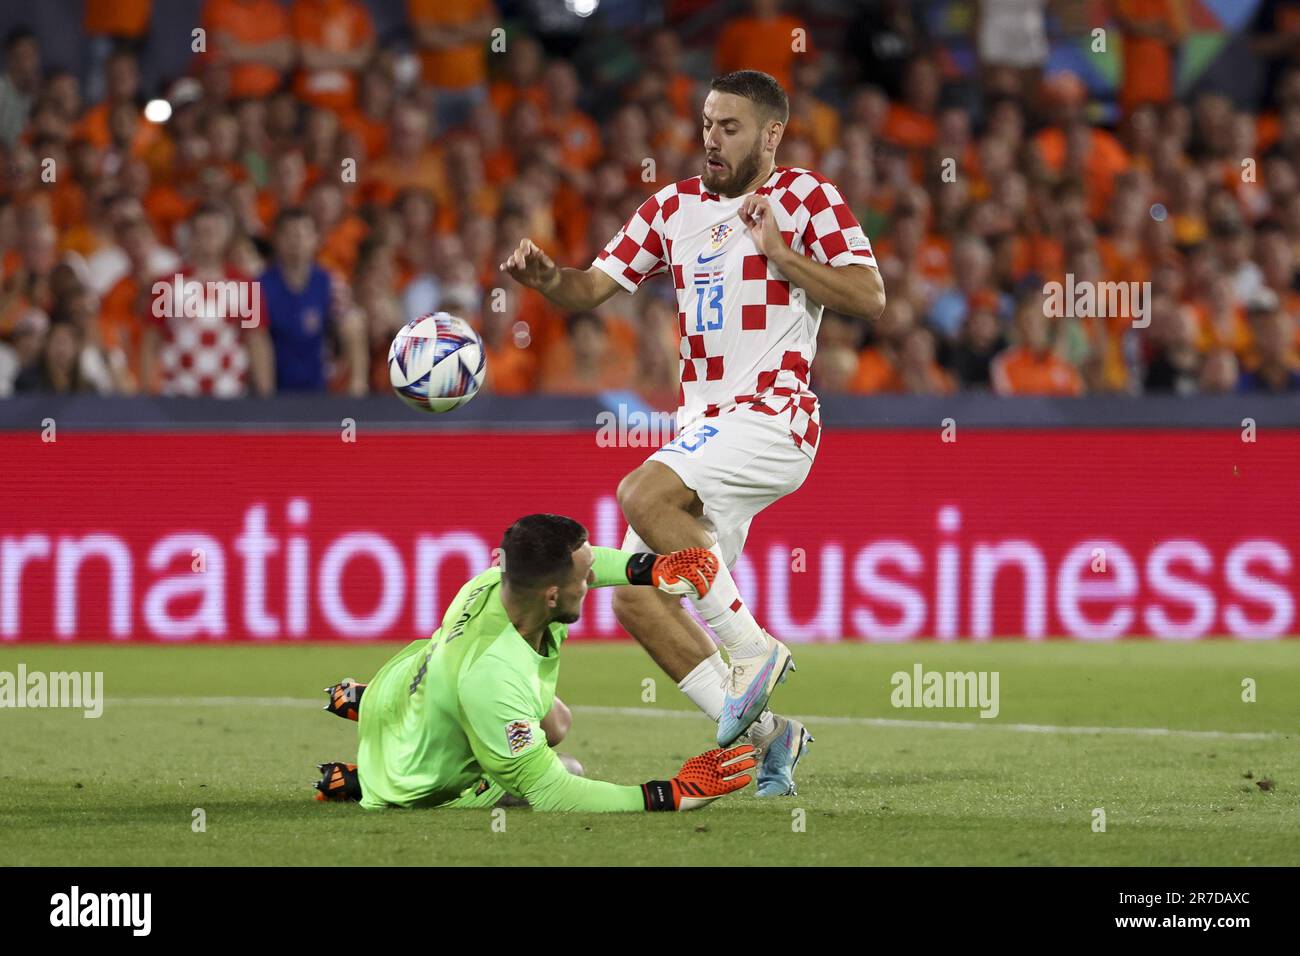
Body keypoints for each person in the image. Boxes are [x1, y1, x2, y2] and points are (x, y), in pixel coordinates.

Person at [501, 70, 885, 792]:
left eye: (730, 127)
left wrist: (783, 257)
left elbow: (870, 295)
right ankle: (773, 739)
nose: (711, 138)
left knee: (640, 490)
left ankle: (752, 648)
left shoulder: (805, 198)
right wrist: (549, 276)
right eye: (707, 123)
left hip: (775, 417)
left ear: (772, 134)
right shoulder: (672, 207)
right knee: (635, 596)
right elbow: (591, 286)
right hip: (706, 429)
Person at [314, 514, 756, 812]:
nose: (591, 582)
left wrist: (654, 568)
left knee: (557, 721)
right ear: (551, 595)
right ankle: (363, 781)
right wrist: (670, 794)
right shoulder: (493, 679)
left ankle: (369, 703)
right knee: (569, 769)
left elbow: (591, 563)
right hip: (412, 778)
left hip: (403, 690)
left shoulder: (495, 584)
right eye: (582, 580)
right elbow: (551, 792)